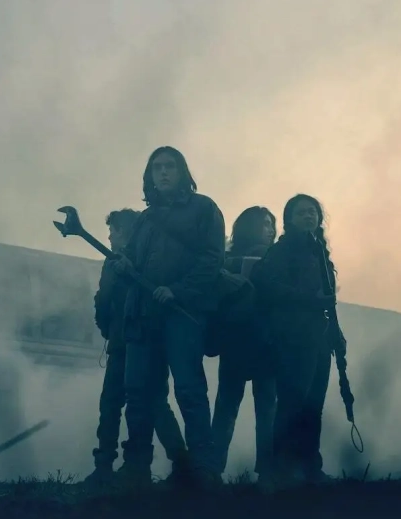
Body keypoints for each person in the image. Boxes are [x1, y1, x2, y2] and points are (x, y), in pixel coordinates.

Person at [112, 147, 225, 489]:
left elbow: (212, 260)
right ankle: (136, 468)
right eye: (157, 167)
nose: (163, 172)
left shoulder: (204, 209)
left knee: (189, 390)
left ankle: (203, 469)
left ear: (182, 172)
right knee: (139, 392)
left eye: (170, 166)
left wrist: (178, 290)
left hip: (181, 315)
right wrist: (124, 266)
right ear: (149, 175)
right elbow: (134, 264)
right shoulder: (145, 219)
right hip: (143, 315)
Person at [85, 208, 188, 486]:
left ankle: (108, 466)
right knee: (154, 403)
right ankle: (181, 463)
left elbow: (103, 299)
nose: (109, 237)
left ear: (124, 232)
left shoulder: (119, 263)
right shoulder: (150, 260)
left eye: (113, 231)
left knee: (113, 403)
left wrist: (107, 327)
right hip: (148, 340)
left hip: (126, 341)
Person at [250, 194, 345, 488]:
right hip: (291, 338)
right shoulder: (281, 251)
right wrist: (308, 300)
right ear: (289, 219)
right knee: (292, 404)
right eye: (301, 212)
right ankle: (281, 470)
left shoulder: (319, 252)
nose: (308, 216)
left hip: (318, 338)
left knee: (313, 405)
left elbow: (328, 301)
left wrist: (336, 335)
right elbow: (268, 286)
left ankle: (310, 469)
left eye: (312, 212)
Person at [211, 207, 277, 481]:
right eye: (265, 224)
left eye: (272, 224)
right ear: (250, 227)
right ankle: (264, 473)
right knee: (257, 408)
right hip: (248, 341)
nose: (270, 230)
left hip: (251, 342)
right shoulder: (229, 261)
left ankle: (215, 470)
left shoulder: (227, 260)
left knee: (237, 408)